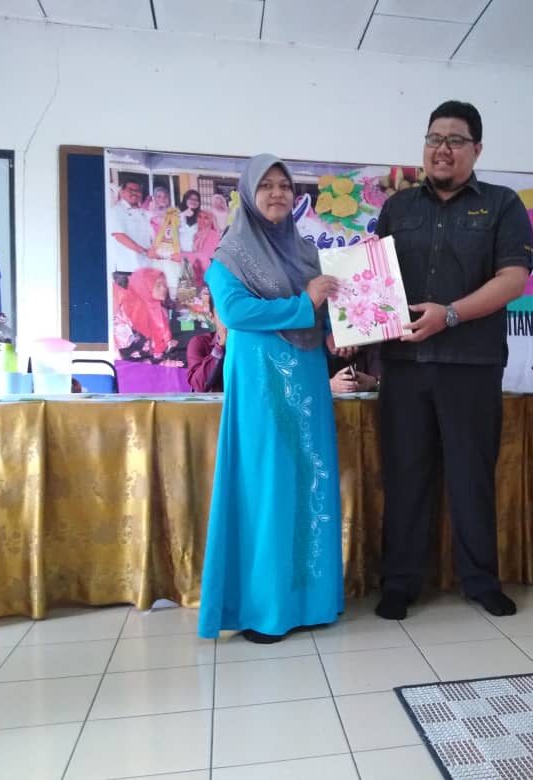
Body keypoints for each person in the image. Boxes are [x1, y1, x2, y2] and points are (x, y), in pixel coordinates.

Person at [373, 100, 533, 621]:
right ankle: (400, 583)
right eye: (434, 139)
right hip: (403, 364)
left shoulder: (503, 204)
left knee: (471, 478)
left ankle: (481, 581)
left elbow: (513, 280)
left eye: (455, 140)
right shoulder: (398, 208)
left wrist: (452, 315)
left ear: (476, 149)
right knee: (405, 477)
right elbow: (374, 281)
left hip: (471, 365)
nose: (442, 149)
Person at [198, 153, 344, 643]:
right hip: (261, 382)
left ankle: (311, 602)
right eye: (266, 185)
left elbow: (325, 311)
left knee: (310, 482)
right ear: (248, 193)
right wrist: (307, 303)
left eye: (284, 185)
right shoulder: (231, 252)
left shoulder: (306, 252)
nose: (277, 193)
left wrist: (336, 331)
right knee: (267, 487)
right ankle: (265, 610)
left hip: (308, 377)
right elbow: (235, 312)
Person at [114, 267, 177, 363]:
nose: (164, 288)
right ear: (144, 287)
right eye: (158, 285)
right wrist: (160, 363)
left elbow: (160, 343)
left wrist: (167, 346)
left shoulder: (160, 310)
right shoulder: (125, 315)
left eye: (165, 284)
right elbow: (124, 354)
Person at [108, 180, 154, 276]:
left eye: (138, 191)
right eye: (130, 190)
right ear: (122, 192)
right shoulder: (116, 210)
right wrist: (145, 252)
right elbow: (120, 236)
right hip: (125, 268)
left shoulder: (143, 213)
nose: (134, 193)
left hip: (145, 267)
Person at [186, 292, 227, 393]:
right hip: (216, 403)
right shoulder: (200, 343)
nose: (228, 320)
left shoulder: (250, 344)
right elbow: (199, 386)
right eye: (222, 314)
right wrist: (221, 346)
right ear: (212, 318)